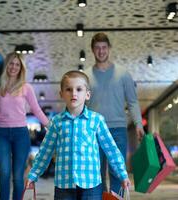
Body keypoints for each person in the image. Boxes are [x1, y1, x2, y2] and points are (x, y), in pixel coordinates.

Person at [27, 70, 130, 200]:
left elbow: (111, 150)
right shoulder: (56, 122)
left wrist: (122, 174)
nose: (74, 93)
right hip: (64, 184)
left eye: (79, 89)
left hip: (91, 184)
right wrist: (33, 175)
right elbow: (45, 151)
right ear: (62, 94)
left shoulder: (96, 120)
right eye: (69, 89)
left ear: (87, 95)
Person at [84, 32, 144, 194]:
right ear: (92, 50)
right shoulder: (86, 76)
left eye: (104, 47)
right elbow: (81, 105)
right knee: (96, 174)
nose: (101, 51)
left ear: (109, 49)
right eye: (97, 48)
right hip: (94, 131)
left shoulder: (123, 74)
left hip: (118, 130)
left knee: (117, 172)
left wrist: (138, 124)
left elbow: (132, 101)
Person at [0, 52, 49, 200]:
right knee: (4, 172)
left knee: (17, 176)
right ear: (6, 65)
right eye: (11, 64)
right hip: (1, 135)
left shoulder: (26, 88)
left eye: (17, 65)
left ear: (21, 68)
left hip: (21, 134)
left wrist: (50, 126)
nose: (14, 67)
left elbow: (36, 109)